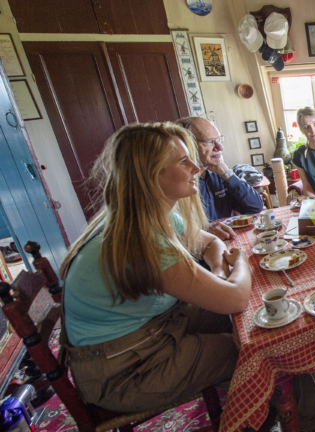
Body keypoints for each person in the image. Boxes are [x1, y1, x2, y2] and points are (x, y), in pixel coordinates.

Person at [58, 122, 251, 413]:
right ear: (151, 175)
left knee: (250, 324)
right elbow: (235, 297)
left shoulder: (151, 214)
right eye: (183, 162)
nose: (195, 169)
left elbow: (209, 241)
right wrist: (240, 262)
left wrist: (221, 272)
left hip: (154, 329)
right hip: (123, 369)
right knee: (247, 349)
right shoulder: (142, 240)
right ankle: (298, 413)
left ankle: (253, 402)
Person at [176, 116, 263, 240]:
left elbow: (255, 207)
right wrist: (205, 232)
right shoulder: (177, 183)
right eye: (210, 141)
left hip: (227, 243)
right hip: (199, 252)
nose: (219, 147)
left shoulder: (219, 174)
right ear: (187, 145)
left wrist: (227, 173)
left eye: (219, 140)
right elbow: (174, 233)